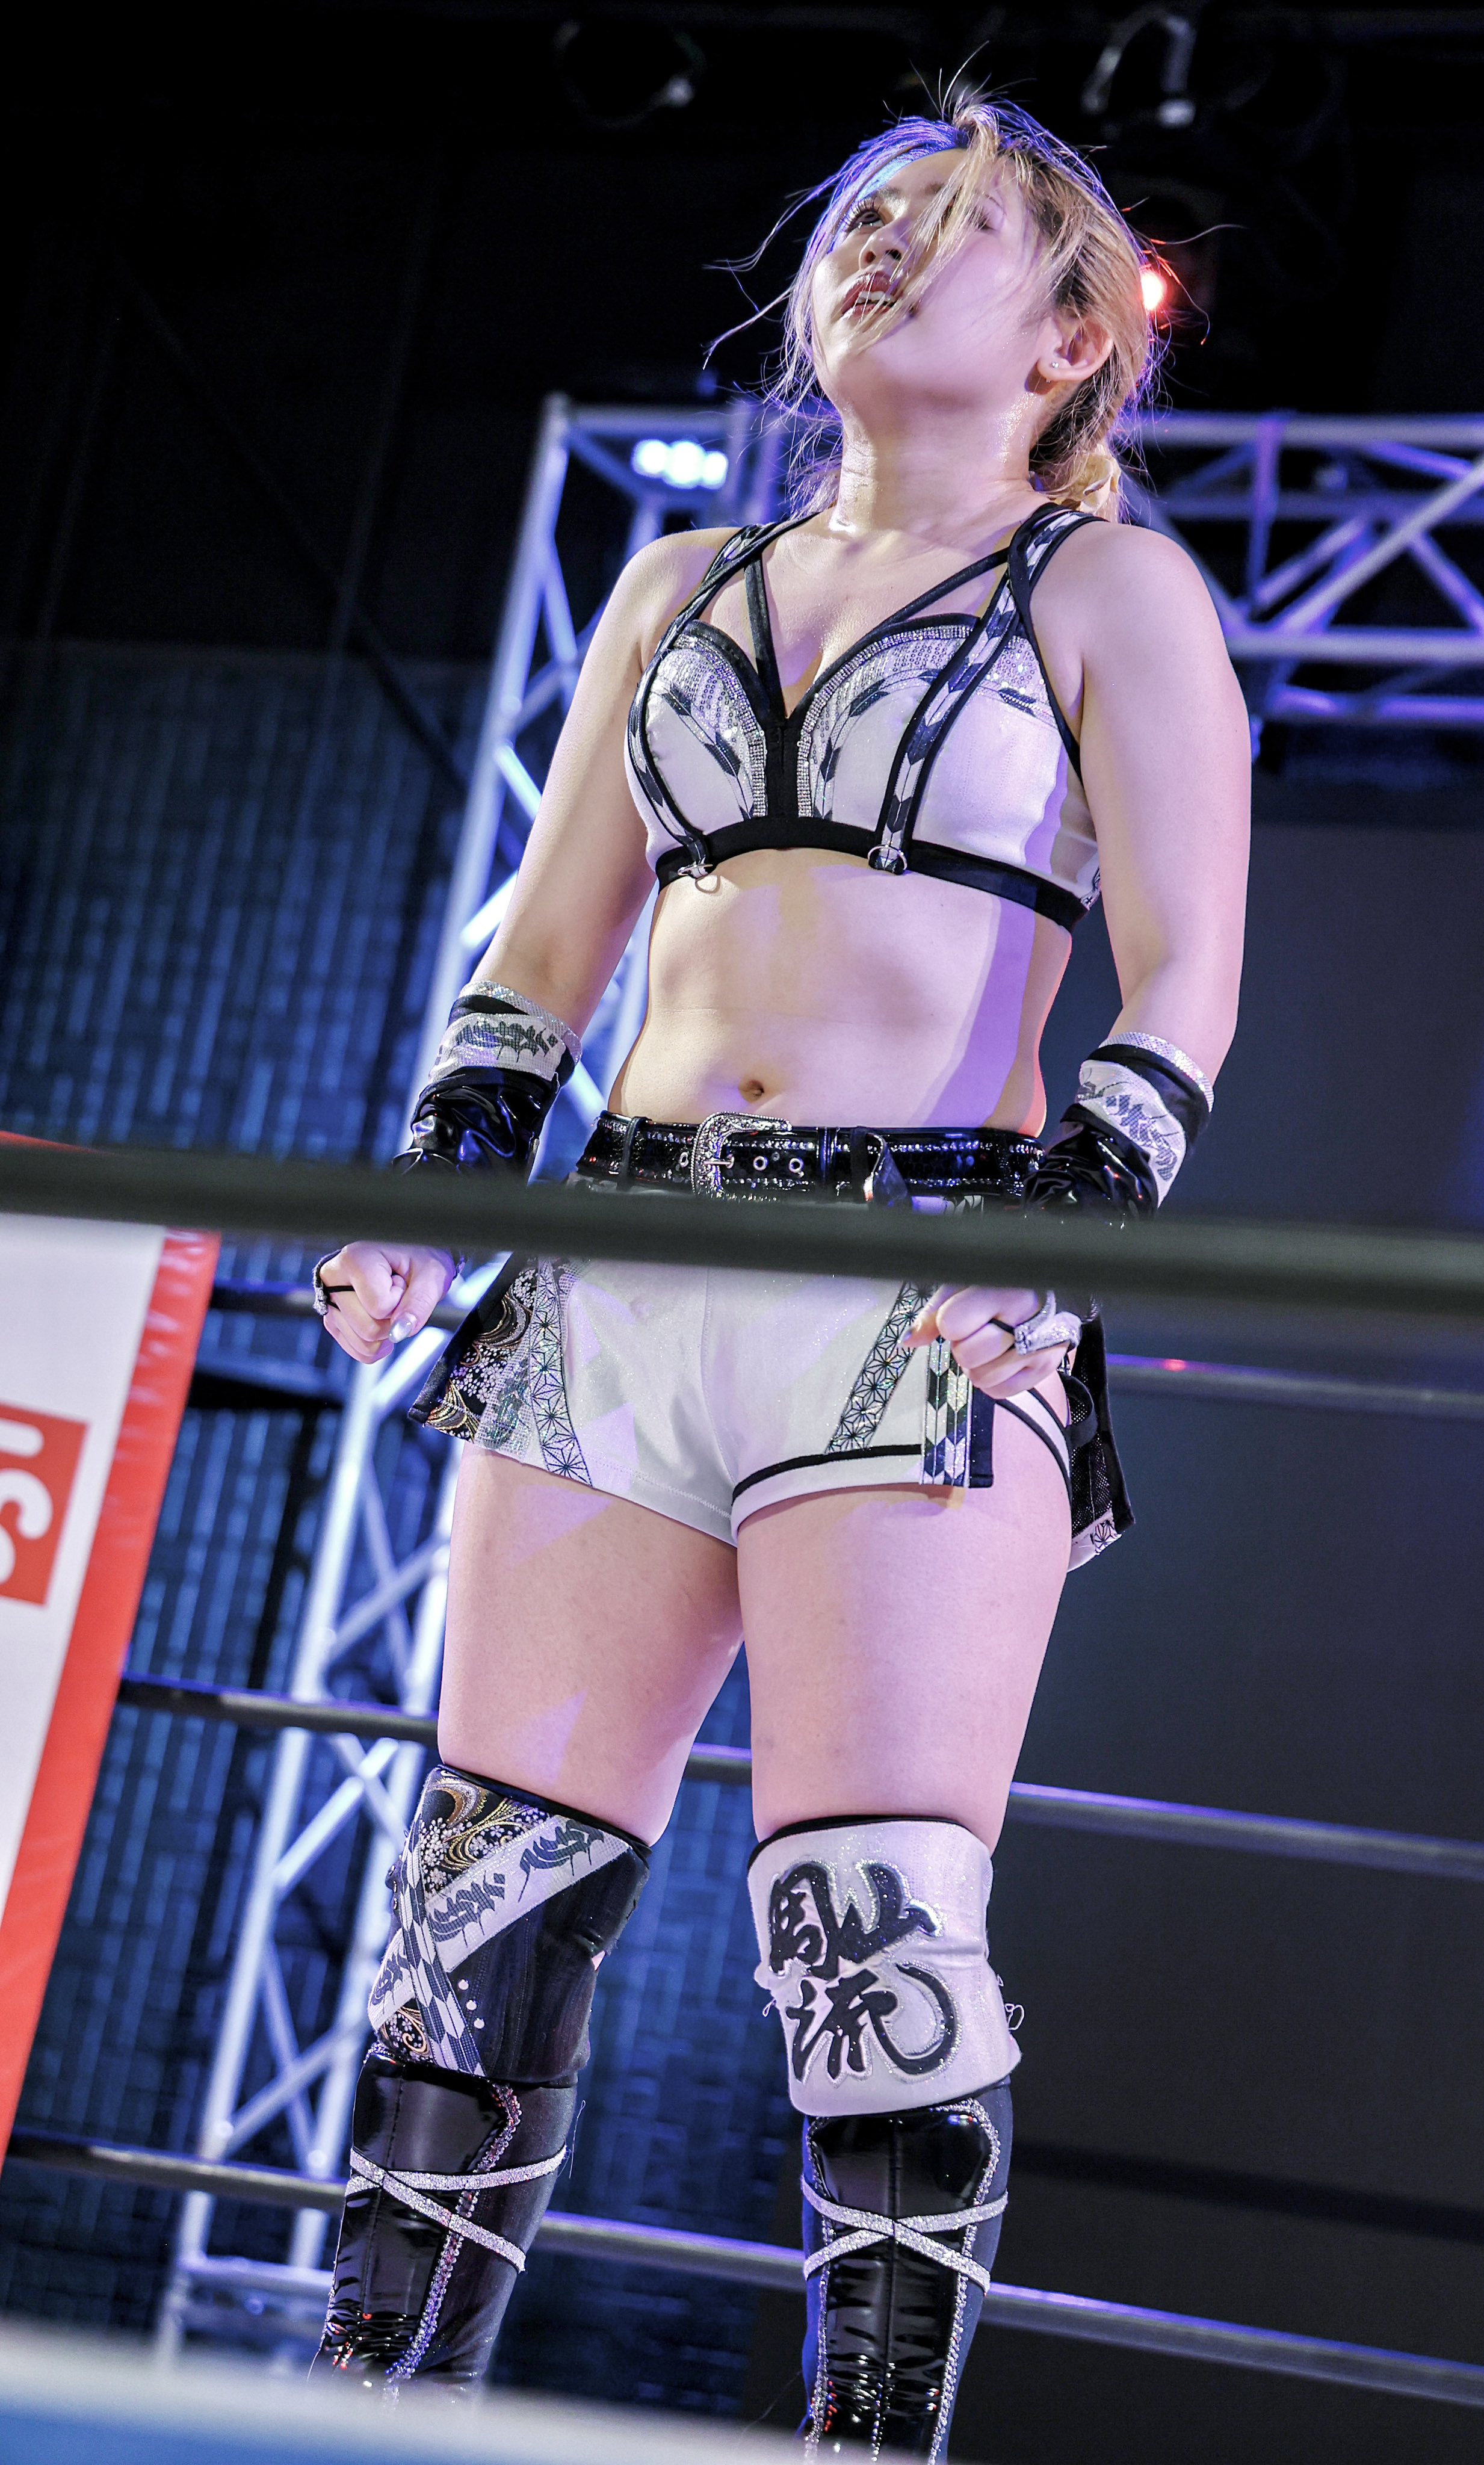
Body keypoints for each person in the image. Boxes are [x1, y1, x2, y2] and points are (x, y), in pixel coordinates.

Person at [308, 97, 1249, 2457]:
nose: (881, 247)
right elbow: (540, 959)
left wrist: (1059, 1245)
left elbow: (1183, 979)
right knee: (469, 1924)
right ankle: (367, 2420)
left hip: (910, 1281)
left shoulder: (1105, 592)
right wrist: (439, 1185)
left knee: (873, 1947)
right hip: (619, 1266)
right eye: (862, 217)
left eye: (949, 226)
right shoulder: (675, 584)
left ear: (1067, 339)